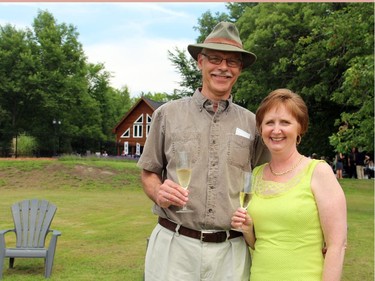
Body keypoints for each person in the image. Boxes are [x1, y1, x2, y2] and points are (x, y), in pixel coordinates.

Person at [137, 21, 270, 281]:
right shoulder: (167, 114)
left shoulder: (253, 124)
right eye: (215, 58)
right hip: (174, 247)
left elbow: (269, 179)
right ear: (200, 61)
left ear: (240, 69)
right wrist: (158, 192)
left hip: (231, 252)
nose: (223, 67)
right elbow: (149, 173)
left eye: (232, 61)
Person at [231, 89, 347, 281]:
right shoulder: (255, 175)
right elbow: (260, 243)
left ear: (300, 127)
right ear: (260, 129)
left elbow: (337, 245)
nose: (276, 130)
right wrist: (247, 229)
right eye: (269, 123)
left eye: (285, 122)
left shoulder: (318, 172)